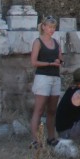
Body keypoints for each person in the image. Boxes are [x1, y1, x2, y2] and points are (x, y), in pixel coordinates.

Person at [29, 15, 63, 149]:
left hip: (55, 77)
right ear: (43, 27)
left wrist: (59, 61)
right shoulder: (38, 42)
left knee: (52, 110)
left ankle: (51, 138)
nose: (52, 30)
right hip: (42, 77)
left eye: (54, 27)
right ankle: (35, 140)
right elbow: (33, 62)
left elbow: (61, 59)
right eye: (49, 27)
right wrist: (50, 63)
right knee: (39, 109)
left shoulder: (56, 42)